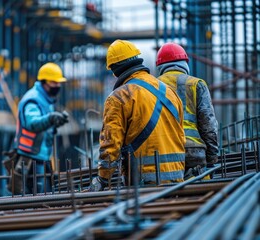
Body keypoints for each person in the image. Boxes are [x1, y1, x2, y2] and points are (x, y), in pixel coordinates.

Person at [89, 39, 186, 191]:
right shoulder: (169, 91)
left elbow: (110, 144)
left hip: (144, 184)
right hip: (178, 179)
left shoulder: (119, 97)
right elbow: (181, 135)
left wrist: (102, 178)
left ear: (115, 70)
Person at [3, 62, 69, 194]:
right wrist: (51, 118)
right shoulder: (33, 99)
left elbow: (44, 124)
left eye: (59, 83)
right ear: (44, 82)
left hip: (41, 156)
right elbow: (32, 123)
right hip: (30, 158)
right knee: (37, 198)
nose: (58, 86)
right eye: (54, 82)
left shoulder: (45, 99)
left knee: (45, 195)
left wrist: (55, 122)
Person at [155, 42, 218, 179]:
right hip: (194, 152)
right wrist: (212, 158)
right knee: (200, 195)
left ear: (160, 67)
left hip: (164, 152)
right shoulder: (196, 84)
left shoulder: (152, 87)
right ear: (185, 64)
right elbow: (208, 124)